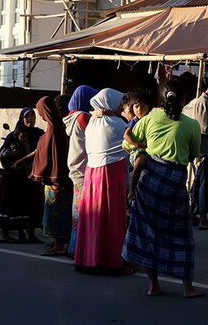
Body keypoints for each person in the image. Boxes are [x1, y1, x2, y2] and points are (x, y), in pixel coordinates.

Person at [123, 80, 205, 299]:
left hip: (148, 180)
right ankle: (187, 288)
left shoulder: (148, 119)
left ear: (159, 99)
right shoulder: (191, 125)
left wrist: (142, 148)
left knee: (149, 232)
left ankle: (153, 285)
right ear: (184, 99)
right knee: (181, 234)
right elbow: (191, 156)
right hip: (174, 182)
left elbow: (128, 143)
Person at [75, 88, 131, 275]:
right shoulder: (117, 125)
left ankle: (89, 259)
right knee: (111, 218)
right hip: (111, 175)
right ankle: (111, 260)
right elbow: (131, 147)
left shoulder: (92, 123)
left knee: (93, 218)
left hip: (92, 175)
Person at [0, 107, 44, 243]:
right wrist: (11, 152)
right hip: (13, 176)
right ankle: (6, 234)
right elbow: (2, 153)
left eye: (33, 116)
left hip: (31, 175)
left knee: (30, 205)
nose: (31, 118)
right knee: (9, 204)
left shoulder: (39, 134)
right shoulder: (13, 135)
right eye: (27, 116)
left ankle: (30, 234)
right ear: (22, 119)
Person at [31, 96, 73, 256]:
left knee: (56, 211)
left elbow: (53, 154)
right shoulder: (55, 127)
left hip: (57, 179)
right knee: (56, 210)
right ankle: (59, 242)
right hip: (58, 178)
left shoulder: (55, 129)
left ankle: (60, 244)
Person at [184, 76, 208, 230]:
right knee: (204, 185)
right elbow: (205, 128)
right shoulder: (202, 102)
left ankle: (195, 214)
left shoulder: (202, 102)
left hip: (202, 150)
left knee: (199, 184)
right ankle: (203, 218)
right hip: (204, 150)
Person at [64, 85, 98, 256]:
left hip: (76, 168)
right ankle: (77, 248)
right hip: (84, 169)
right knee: (82, 213)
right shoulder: (83, 117)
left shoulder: (73, 116)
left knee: (77, 212)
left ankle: (74, 246)